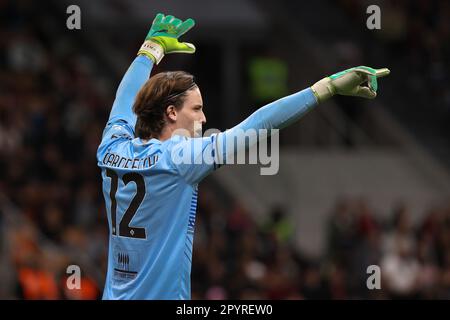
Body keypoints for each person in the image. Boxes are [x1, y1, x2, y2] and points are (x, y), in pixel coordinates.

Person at [97, 13, 389, 300]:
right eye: (196, 109)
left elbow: (124, 101)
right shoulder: (181, 158)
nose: (204, 117)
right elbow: (258, 125)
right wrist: (326, 88)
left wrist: (150, 51)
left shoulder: (112, 146)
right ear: (171, 113)